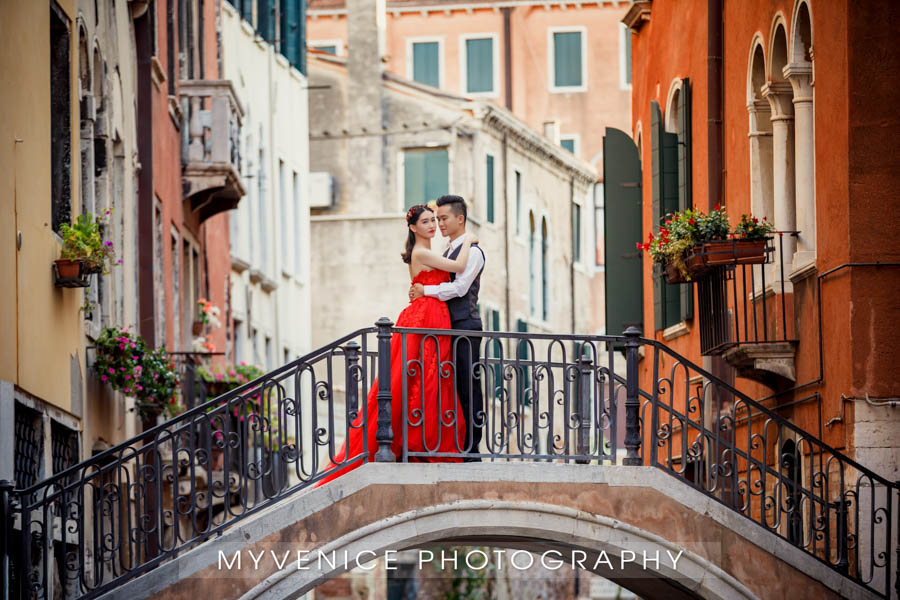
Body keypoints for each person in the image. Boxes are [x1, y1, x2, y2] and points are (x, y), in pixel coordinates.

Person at [316, 204, 475, 486]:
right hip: (425, 316)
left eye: (432, 221)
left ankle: (425, 440)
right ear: (413, 227)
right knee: (417, 377)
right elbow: (460, 267)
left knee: (429, 377)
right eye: (425, 222)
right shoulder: (422, 252)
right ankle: (414, 443)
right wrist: (470, 240)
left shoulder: (428, 252)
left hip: (434, 315)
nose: (431, 226)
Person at [409, 195, 486, 462]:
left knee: (468, 386)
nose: (439, 223)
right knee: (447, 387)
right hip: (445, 328)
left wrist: (424, 291)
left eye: (443, 218)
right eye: (435, 219)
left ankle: (472, 450)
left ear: (460, 219)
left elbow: (460, 288)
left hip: (465, 326)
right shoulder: (446, 251)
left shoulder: (473, 251)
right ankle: (451, 444)